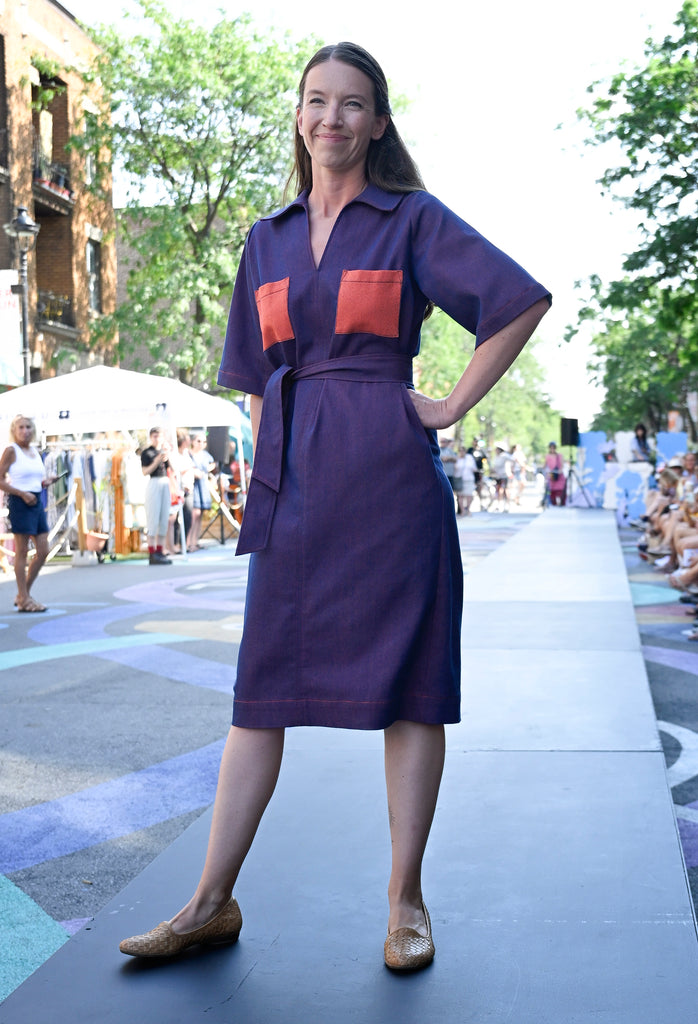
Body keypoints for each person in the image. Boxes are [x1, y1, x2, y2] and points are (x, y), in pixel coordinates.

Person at [119, 41, 550, 971]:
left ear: (378, 123)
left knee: (412, 692)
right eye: (316, 100)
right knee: (259, 695)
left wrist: (450, 405)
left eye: (352, 104)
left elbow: (516, 302)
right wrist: (270, 473)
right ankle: (209, 903)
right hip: (294, 488)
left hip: (392, 484)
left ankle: (406, 901)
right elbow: (251, 377)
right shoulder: (265, 238)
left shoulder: (411, 218)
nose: (331, 118)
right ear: (298, 116)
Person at [0, 415, 56, 612]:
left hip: (36, 500)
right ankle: (25, 598)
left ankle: (23, 595)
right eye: (21, 427)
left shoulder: (34, 451)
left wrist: (45, 482)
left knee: (43, 551)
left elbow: (32, 480)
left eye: (28, 427)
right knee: (22, 551)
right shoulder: (11, 451)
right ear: (14, 431)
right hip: (20, 502)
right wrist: (21, 494)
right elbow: (1, 480)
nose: (25, 431)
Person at [140, 426, 172, 565]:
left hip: (165, 482)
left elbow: (173, 469)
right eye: (155, 436)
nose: (157, 439)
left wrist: (168, 456)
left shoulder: (164, 451)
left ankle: (160, 550)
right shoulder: (147, 452)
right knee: (153, 518)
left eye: (159, 436)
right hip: (154, 482)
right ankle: (152, 553)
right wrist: (157, 460)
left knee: (164, 518)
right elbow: (145, 471)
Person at [189, 432, 216, 551]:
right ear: (193, 442)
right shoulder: (189, 454)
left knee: (199, 514)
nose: (201, 444)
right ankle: (189, 542)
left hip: (203, 484)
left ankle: (195, 541)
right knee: (194, 514)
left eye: (203, 442)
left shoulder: (205, 455)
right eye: (198, 441)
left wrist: (207, 470)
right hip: (193, 485)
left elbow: (212, 464)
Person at [455, 446, 477, 515]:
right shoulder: (456, 458)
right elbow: (454, 468)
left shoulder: (469, 458)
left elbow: (474, 468)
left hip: (469, 478)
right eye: (460, 451)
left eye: (463, 451)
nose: (461, 452)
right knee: (460, 495)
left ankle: (468, 509)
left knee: (469, 495)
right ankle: (462, 511)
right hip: (459, 479)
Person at [545, 441, 566, 506]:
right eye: (551, 448)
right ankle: (554, 503)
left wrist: (560, 471)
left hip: (559, 475)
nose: (552, 449)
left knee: (560, 490)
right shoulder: (547, 456)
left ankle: (561, 502)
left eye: (553, 447)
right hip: (552, 475)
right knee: (552, 491)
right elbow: (545, 465)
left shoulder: (559, 456)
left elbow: (562, 465)